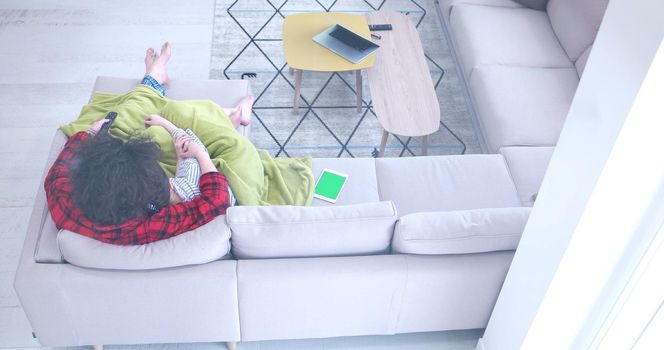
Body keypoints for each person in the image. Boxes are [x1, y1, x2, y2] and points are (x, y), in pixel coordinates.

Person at [44, 42, 246, 245]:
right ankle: (223, 117)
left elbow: (55, 176)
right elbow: (217, 202)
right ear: (149, 204)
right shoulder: (154, 224)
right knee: (158, 114)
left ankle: (154, 79)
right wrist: (201, 156)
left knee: (124, 115)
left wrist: (89, 133)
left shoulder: (68, 207)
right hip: (191, 157)